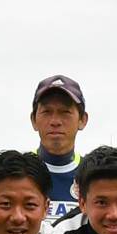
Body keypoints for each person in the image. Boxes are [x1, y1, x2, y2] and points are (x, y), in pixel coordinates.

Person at [30, 75, 88, 220]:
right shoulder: (16, 173)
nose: (55, 121)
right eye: (47, 112)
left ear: (82, 120)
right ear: (34, 120)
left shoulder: (93, 175)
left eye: (65, 112)